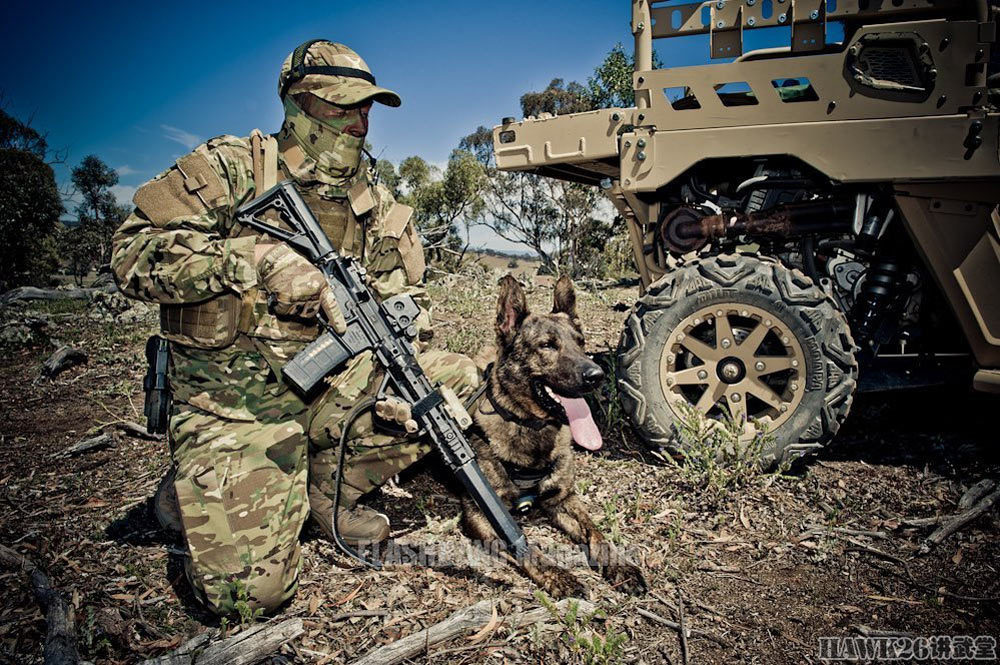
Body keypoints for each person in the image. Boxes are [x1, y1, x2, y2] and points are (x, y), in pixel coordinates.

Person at [111, 40, 479, 616]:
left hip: (331, 388)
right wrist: (255, 263)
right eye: (344, 107)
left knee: (455, 379)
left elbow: (404, 298)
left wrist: (403, 388)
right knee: (252, 597)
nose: (359, 122)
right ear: (298, 104)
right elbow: (132, 253)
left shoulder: (372, 198)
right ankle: (188, 495)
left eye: (367, 110)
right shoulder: (233, 167)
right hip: (233, 403)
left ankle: (324, 492)